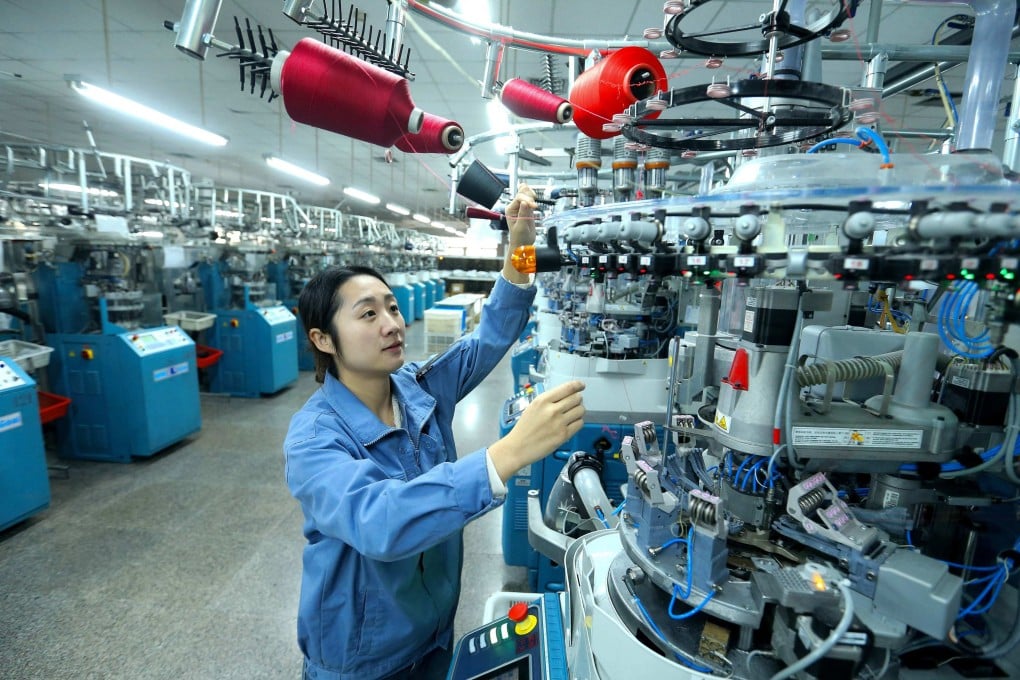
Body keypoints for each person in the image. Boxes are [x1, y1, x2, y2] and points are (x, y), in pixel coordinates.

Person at [284, 184, 586, 680]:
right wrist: (505, 455)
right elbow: (379, 522)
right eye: (368, 314)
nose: (391, 324)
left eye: (392, 307)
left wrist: (523, 246)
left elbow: (491, 334)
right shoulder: (314, 440)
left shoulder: (417, 387)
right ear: (322, 339)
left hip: (433, 632)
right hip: (361, 658)